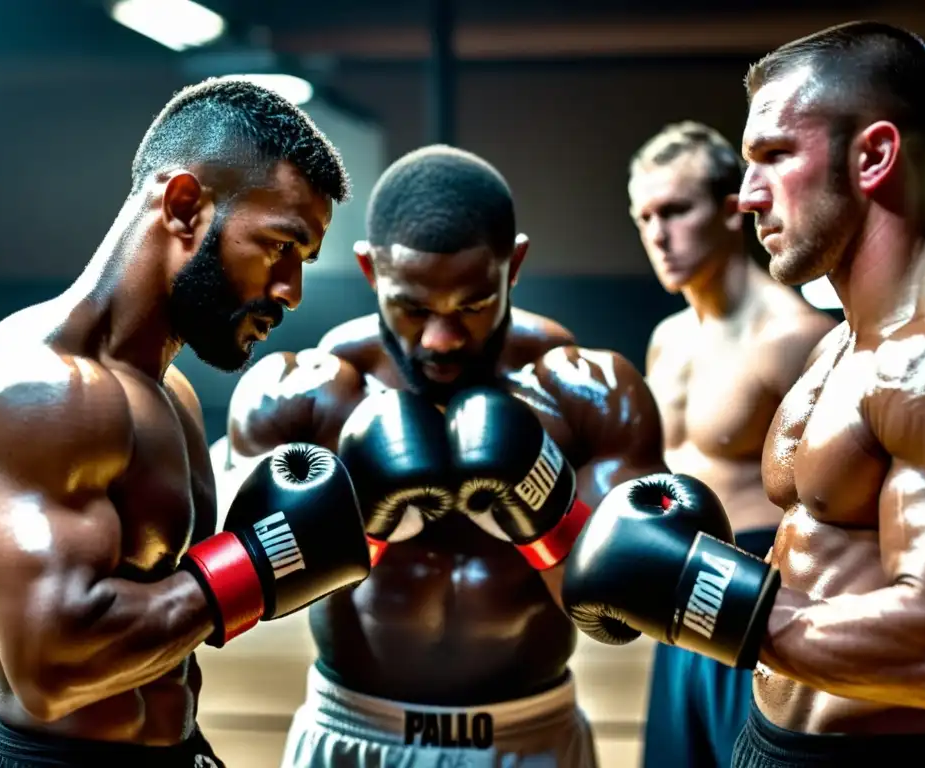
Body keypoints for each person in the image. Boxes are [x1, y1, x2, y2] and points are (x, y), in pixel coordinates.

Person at [560, 20, 925, 767]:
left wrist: (692, 592)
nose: (749, 195)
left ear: (875, 156)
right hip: (764, 736)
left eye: (775, 157)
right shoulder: (839, 344)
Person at [216, 144, 669, 768]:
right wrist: (366, 527)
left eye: (473, 306)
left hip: (529, 733)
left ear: (514, 265)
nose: (441, 338)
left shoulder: (586, 392)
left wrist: (541, 513)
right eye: (412, 308)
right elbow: (248, 597)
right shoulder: (307, 394)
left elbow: (626, 612)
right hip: (355, 731)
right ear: (371, 271)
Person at [0, 77, 373, 767]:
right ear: (186, 206)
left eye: (302, 264)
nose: (291, 293)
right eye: (281, 247)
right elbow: (50, 670)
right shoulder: (41, 388)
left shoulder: (172, 393)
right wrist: (256, 564)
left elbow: (169, 612)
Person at [627, 121, 835, 767]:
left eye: (676, 210)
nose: (659, 234)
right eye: (644, 216)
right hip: (674, 601)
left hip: (758, 605)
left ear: (729, 209)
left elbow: (839, 515)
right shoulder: (666, 340)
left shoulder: (797, 337)